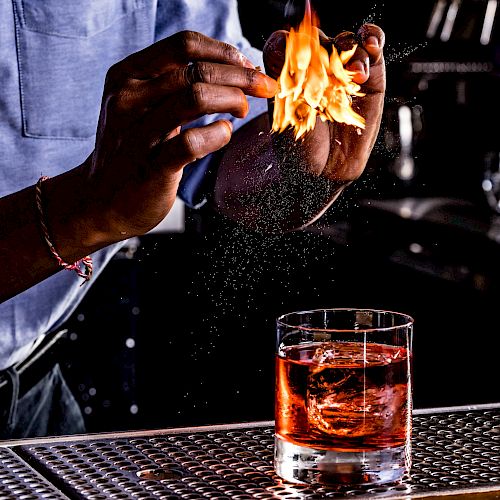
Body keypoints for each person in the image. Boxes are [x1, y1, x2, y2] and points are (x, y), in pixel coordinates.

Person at [0, 1, 385, 438]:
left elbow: (216, 131)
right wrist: (82, 212)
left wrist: (297, 169)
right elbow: (100, 198)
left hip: (32, 388)